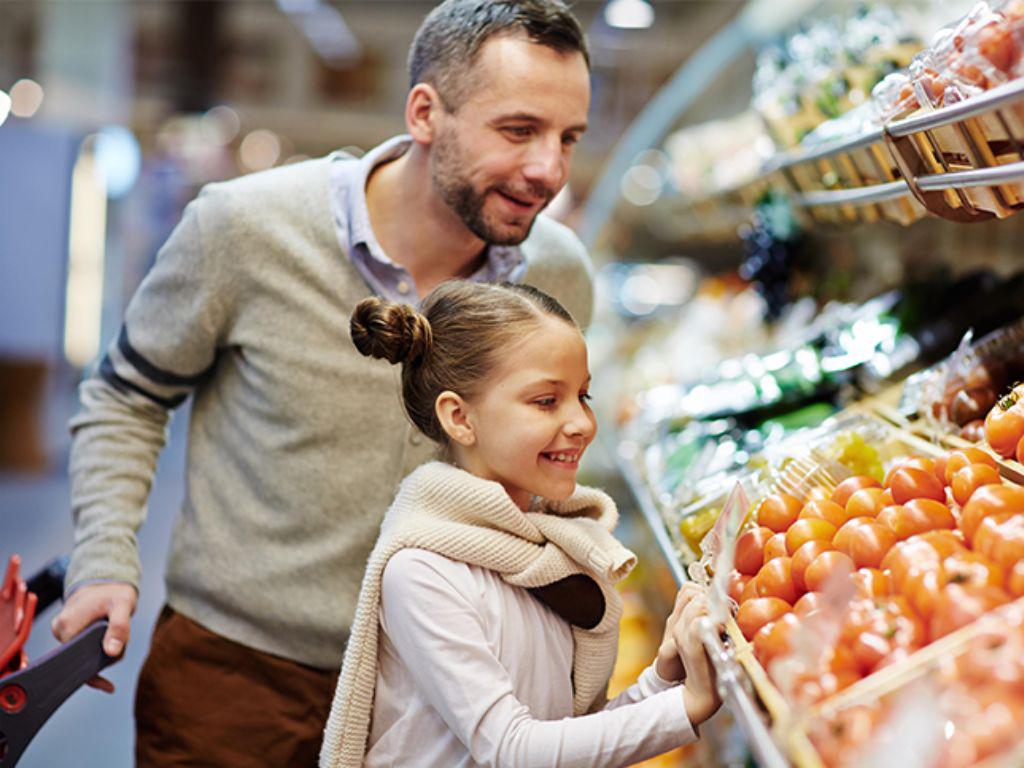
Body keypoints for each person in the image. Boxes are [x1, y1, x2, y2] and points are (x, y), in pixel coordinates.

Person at [52, 1, 595, 764]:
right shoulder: (245, 229)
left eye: (569, 137)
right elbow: (128, 395)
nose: (550, 169)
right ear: (425, 113)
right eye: (518, 131)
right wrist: (103, 558)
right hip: (237, 679)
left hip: (441, 684)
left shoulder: (560, 274)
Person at [321, 280, 721, 768]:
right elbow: (513, 750)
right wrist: (684, 707)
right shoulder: (423, 571)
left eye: (584, 395)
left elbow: (564, 740)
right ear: (459, 418)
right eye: (546, 401)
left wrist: (663, 679)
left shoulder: (543, 552)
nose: (582, 423)